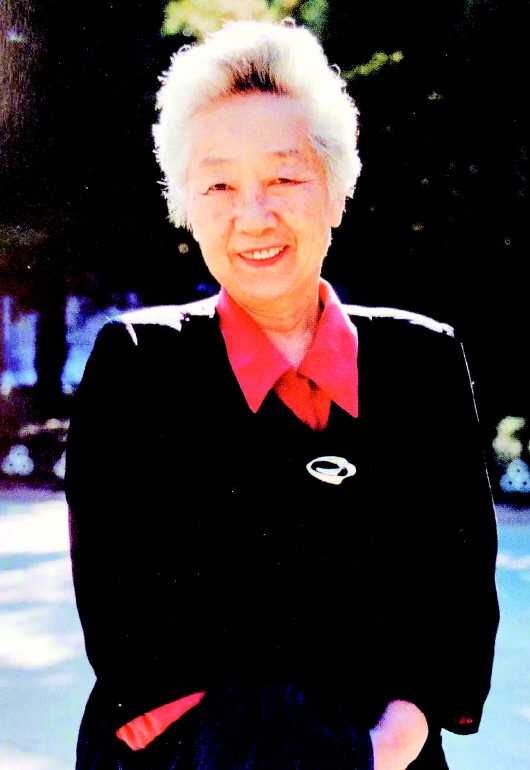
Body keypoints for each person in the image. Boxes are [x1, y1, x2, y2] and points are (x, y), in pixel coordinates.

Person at [65, 19, 499, 770]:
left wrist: (389, 745)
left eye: (285, 178)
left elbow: (456, 603)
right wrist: (332, 754)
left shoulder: (421, 361)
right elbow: (132, 632)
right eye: (220, 185)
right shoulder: (137, 365)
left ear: (336, 190)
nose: (253, 215)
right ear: (187, 204)